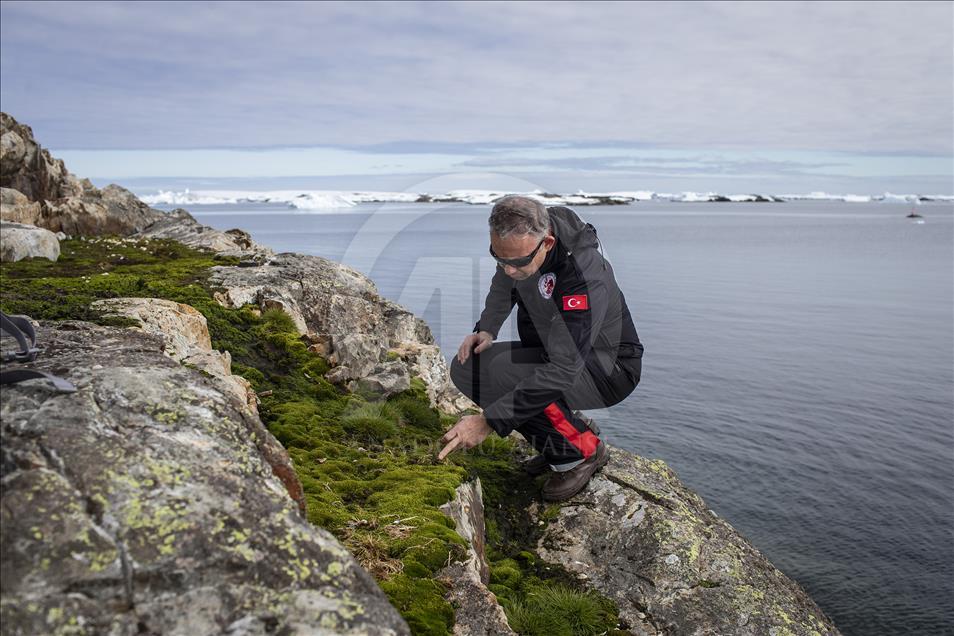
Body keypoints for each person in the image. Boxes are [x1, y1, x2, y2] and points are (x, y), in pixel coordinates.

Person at [438, 195, 643, 502]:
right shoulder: (519, 250)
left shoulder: (584, 277)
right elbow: (503, 284)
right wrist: (487, 328)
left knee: (509, 375)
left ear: (546, 243)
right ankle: (564, 432)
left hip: (606, 369)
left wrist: (489, 421)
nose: (508, 269)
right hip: (556, 355)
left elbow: (562, 369)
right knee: (468, 366)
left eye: (517, 262)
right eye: (499, 257)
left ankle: (582, 452)